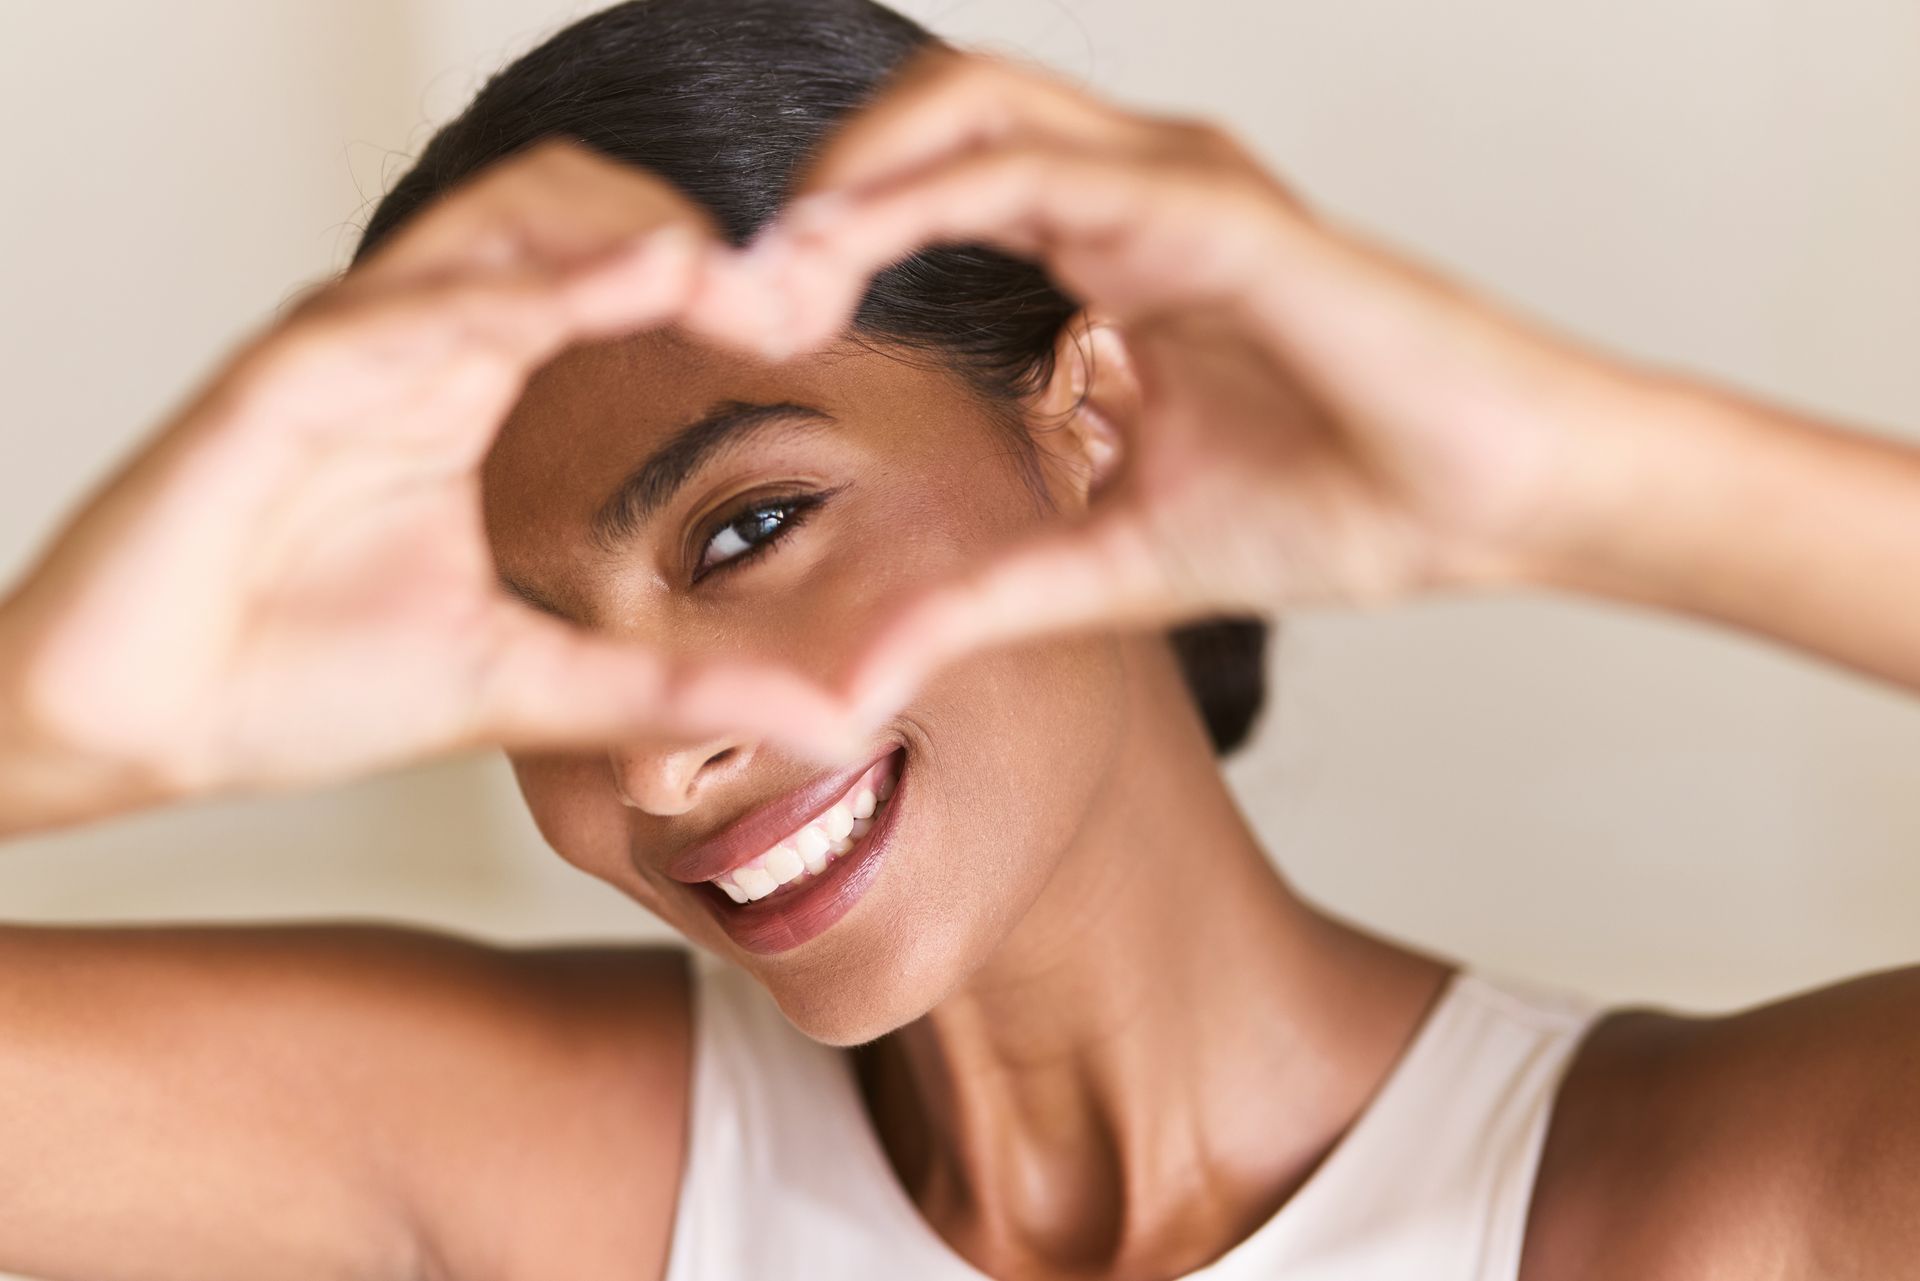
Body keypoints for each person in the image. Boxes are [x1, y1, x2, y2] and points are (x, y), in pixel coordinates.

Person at [3, 0, 1918, 1277]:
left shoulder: (1694, 1206)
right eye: (534, 641)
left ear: (1093, 419)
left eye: (747, 529)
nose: (651, 760)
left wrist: (1579, 484)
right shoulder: (548, 1163)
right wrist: (44, 729)